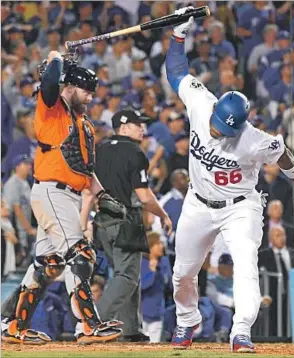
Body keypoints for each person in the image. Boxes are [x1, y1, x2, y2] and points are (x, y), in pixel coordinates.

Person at [165, 6, 294, 353]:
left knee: (246, 264)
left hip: (240, 206)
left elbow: (285, 156)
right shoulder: (203, 103)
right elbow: (176, 72)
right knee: (183, 273)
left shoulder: (252, 137)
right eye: (219, 123)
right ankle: (187, 320)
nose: (219, 130)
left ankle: (241, 331)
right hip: (198, 202)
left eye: (227, 128)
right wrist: (178, 35)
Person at [1, 51, 123, 345]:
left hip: (68, 196)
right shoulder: (52, 108)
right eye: (86, 91)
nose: (91, 97)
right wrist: (56, 55)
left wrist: (102, 195)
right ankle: (88, 325)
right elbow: (50, 78)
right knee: (81, 254)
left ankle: (14, 326)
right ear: (70, 87)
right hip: (52, 191)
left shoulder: (83, 124)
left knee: (49, 264)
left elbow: (84, 169)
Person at [93, 109, 172, 342]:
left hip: (102, 221)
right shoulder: (135, 152)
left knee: (126, 274)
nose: (143, 129)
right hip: (125, 220)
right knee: (127, 276)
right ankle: (95, 323)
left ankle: (130, 329)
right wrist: (163, 215)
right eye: (138, 124)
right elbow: (144, 196)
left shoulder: (100, 149)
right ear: (124, 128)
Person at [258, 226, 294, 337]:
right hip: (271, 296)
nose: (282, 238)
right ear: (270, 239)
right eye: (277, 235)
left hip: (292, 296)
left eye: (283, 235)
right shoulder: (262, 255)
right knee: (272, 325)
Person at [141, 231, 172, 343]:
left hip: (158, 312)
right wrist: (152, 271)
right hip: (142, 313)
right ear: (150, 246)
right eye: (158, 244)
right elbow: (142, 286)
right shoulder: (142, 263)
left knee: (154, 347)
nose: (161, 246)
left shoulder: (164, 262)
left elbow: (169, 285)